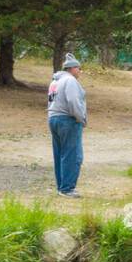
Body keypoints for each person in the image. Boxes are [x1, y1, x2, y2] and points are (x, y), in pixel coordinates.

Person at [47, 53, 87, 198]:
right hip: (68, 120)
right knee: (72, 154)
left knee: (60, 154)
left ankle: (61, 187)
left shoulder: (54, 82)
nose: (80, 71)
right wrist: (81, 118)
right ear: (72, 68)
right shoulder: (70, 81)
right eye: (79, 68)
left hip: (53, 118)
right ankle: (67, 189)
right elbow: (73, 101)